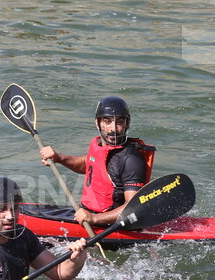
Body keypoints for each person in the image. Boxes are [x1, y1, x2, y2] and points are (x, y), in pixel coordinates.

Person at [39, 97, 156, 227]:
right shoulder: (99, 145)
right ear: (98, 123)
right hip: (89, 214)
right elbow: (88, 163)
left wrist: (94, 219)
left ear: (126, 124)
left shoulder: (131, 159)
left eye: (119, 122)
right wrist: (59, 158)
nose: (113, 129)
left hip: (112, 224)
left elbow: (134, 207)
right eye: (108, 121)